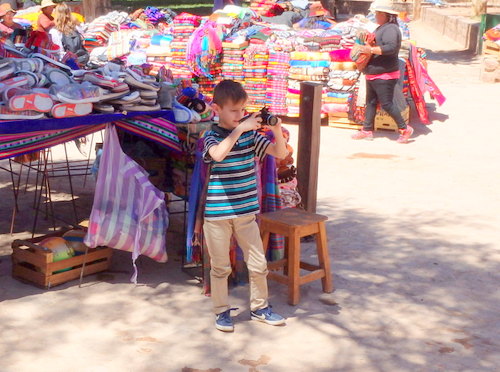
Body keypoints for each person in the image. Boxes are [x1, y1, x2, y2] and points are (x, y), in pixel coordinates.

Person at [202, 80, 288, 332]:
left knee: (258, 264)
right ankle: (221, 311)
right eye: (234, 111)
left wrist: (277, 129)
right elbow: (217, 155)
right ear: (217, 109)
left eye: (243, 111)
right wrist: (240, 129)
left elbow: (278, 153)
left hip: (246, 212)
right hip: (217, 215)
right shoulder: (211, 135)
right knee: (220, 268)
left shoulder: (251, 136)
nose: (240, 116)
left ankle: (260, 308)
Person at [352, 0, 414, 143]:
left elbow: (391, 47)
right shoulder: (381, 28)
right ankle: (367, 130)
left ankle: (405, 129)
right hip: (373, 72)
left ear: (387, 15)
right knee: (371, 102)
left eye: (378, 14)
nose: (376, 16)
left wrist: (371, 50)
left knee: (387, 104)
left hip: (385, 73)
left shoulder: (391, 29)